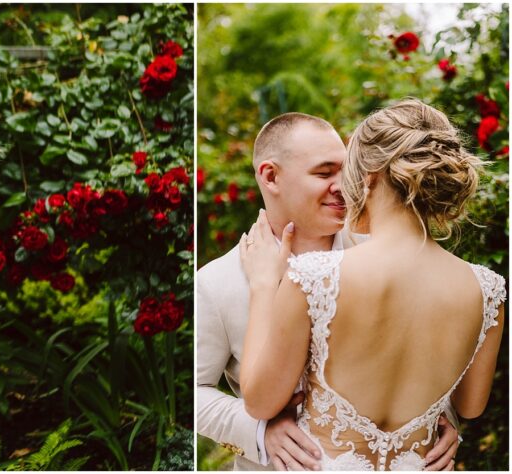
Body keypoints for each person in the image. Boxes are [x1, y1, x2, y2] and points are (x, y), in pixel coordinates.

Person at [239, 99, 506, 471]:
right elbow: (470, 406)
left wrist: (264, 284)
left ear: (369, 178)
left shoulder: (315, 276)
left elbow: (259, 402)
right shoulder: (488, 289)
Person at [196, 112, 459, 471]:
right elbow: (192, 393)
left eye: (345, 170)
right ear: (271, 177)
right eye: (324, 173)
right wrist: (259, 432)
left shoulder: (391, 254)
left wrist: (441, 422)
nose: (344, 185)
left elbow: (428, 350)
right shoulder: (216, 283)